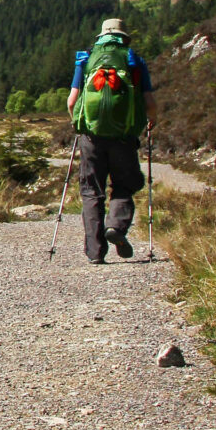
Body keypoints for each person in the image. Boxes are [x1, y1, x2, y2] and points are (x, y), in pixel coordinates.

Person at [66, 18, 158, 264]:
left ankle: (95, 253)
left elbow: (72, 102)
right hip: (124, 137)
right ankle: (116, 226)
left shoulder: (86, 60)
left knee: (91, 191)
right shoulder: (134, 61)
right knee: (125, 184)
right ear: (123, 38)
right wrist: (151, 121)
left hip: (91, 137)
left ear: (102, 37)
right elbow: (149, 103)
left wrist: (78, 124)